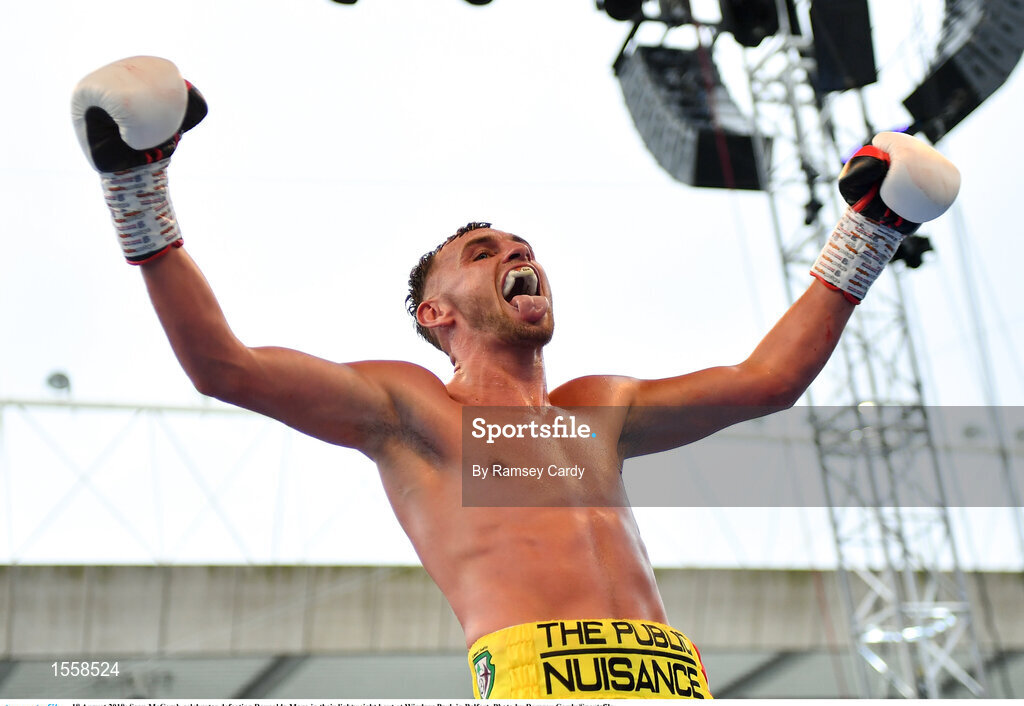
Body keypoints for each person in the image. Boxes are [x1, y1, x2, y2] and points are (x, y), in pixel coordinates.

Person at [71, 56, 960, 699]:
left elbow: (767, 380)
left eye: (522, 247)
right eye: (483, 252)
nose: (516, 253)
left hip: (676, 683)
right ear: (436, 314)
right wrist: (136, 190)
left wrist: (868, 233)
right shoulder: (410, 408)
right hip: (539, 681)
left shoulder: (597, 412)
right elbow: (222, 366)